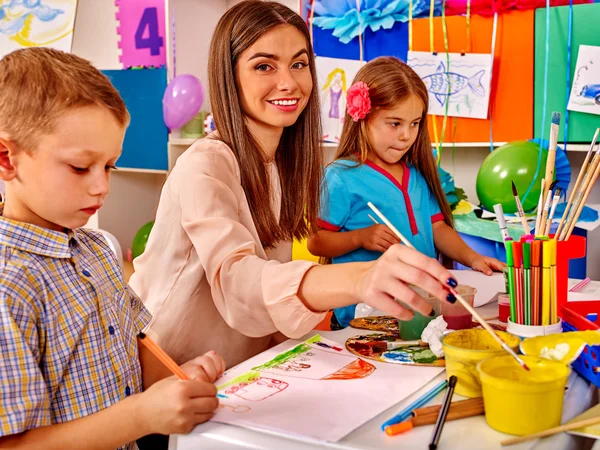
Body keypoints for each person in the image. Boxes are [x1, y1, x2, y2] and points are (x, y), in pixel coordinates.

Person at [129, 0, 459, 370]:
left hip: (235, 370)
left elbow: (268, 295)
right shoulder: (205, 163)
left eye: (299, 64)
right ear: (229, 74)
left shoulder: (284, 164)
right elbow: (238, 282)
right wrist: (360, 277)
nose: (289, 83)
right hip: (162, 369)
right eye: (264, 66)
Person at [0, 47, 225, 449]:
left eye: (109, 166)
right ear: (6, 158)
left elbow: (130, 345)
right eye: (79, 167)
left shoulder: (98, 249)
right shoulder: (8, 286)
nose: (101, 186)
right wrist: (141, 415)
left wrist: (176, 380)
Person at [307, 57, 505, 329]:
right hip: (365, 320)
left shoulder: (417, 172)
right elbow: (316, 242)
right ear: (362, 117)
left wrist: (473, 258)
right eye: (394, 123)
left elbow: (436, 227)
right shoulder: (341, 176)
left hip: (419, 310)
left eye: (414, 124)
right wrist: (360, 238)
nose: (406, 136)